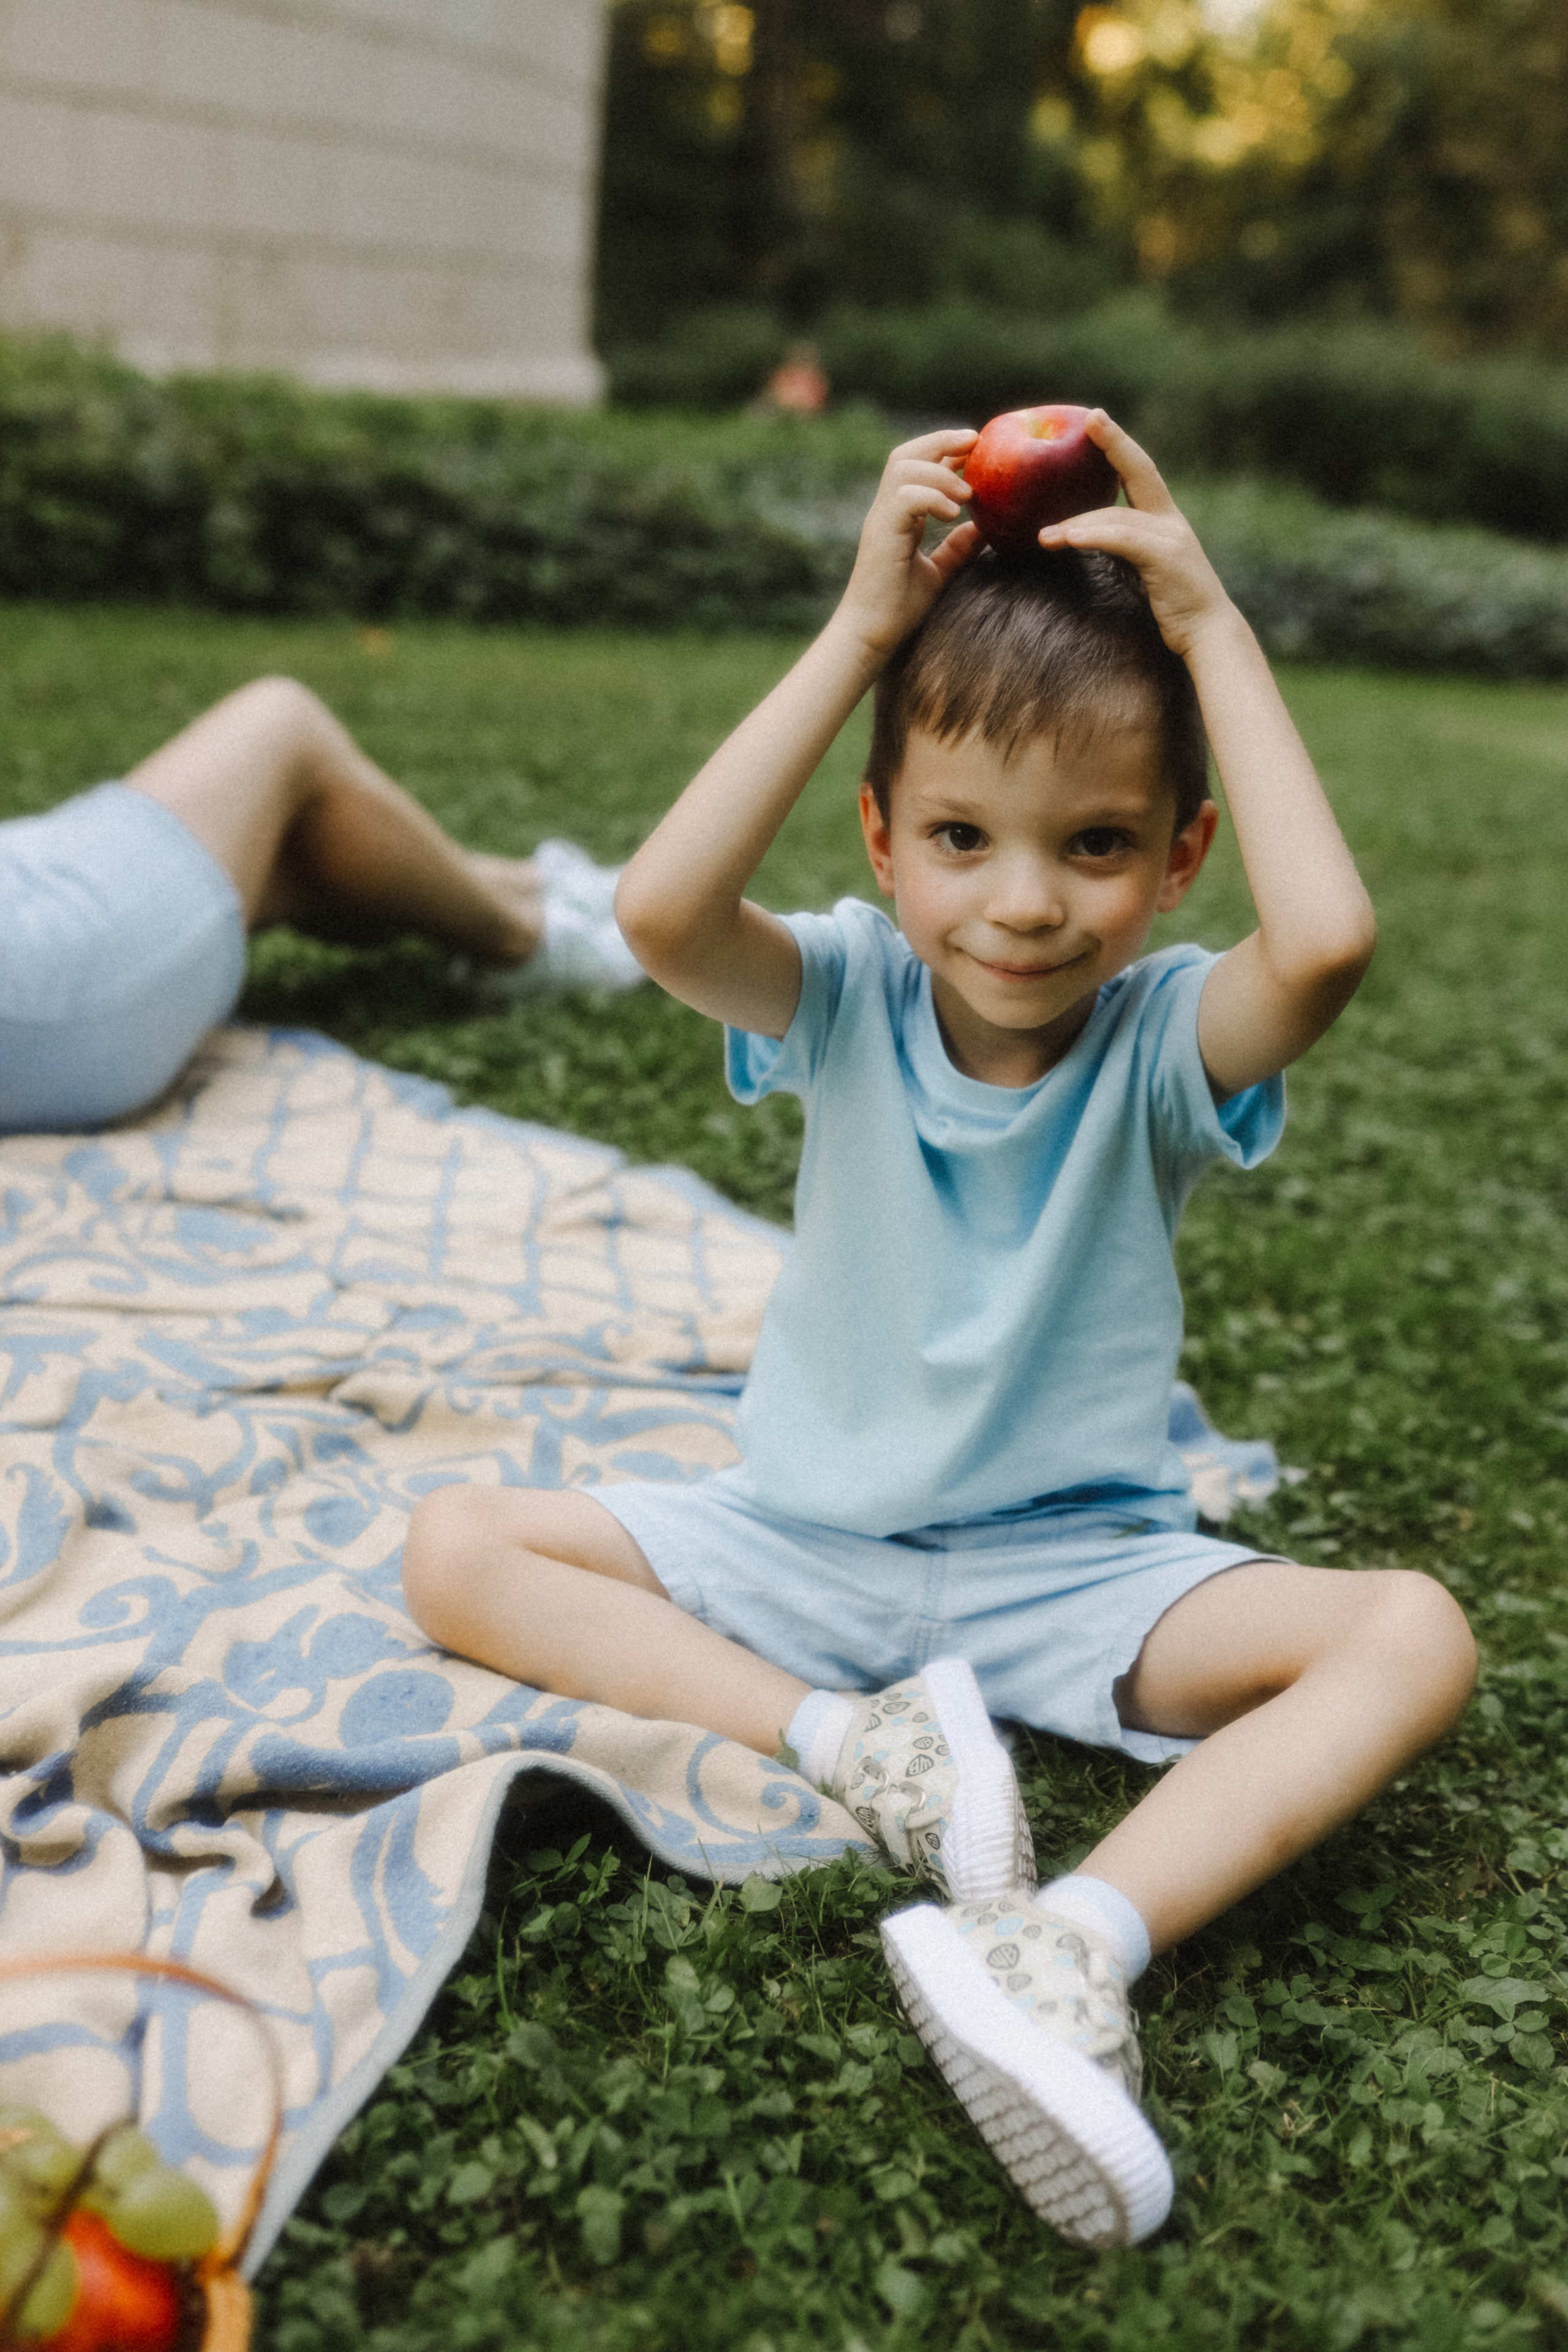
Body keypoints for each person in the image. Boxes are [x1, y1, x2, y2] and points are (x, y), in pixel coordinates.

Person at [399, 417, 1476, 2248]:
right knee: (459, 1540)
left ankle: (1064, 1942)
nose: (1025, 899)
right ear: (884, 842)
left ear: (1176, 854)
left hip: (1078, 1576)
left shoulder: (1156, 1043)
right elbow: (660, 910)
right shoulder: (841, 989)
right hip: (801, 1551)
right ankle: (859, 1748)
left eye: (1097, 842)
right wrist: (856, 637)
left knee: (1410, 1628)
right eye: (962, 837)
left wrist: (1208, 618)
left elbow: (1330, 941)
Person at [0, 675, 639, 1136]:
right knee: (282, 720)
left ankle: (525, 887)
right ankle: (522, 940)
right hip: (56, 992)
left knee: (299, 845)